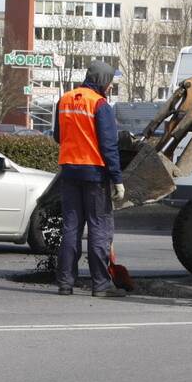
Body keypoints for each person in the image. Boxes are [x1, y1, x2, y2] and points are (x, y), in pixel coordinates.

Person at [52, 60, 126, 298]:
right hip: (95, 174)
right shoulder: (99, 104)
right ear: (102, 80)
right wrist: (117, 179)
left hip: (69, 172)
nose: (110, 87)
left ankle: (65, 283)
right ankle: (101, 285)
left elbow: (57, 136)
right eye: (110, 83)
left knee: (71, 228)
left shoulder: (64, 100)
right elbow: (109, 145)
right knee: (98, 229)